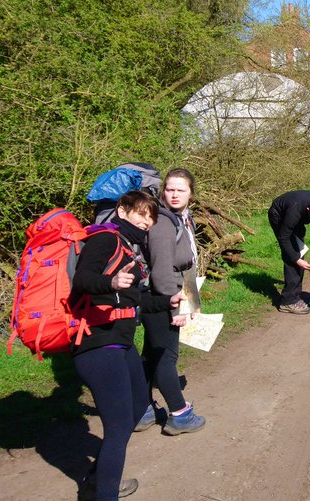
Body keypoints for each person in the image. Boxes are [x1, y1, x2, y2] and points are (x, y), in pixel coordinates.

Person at [71, 190, 183, 501]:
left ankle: (98, 479)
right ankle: (105, 494)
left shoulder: (128, 248)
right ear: (122, 210)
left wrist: (166, 301)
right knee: (119, 427)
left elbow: (136, 302)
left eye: (151, 216)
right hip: (97, 344)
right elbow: (82, 280)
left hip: (120, 344)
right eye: (142, 214)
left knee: (136, 409)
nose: (147, 221)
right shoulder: (105, 240)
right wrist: (110, 283)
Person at [139, 168, 206, 436]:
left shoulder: (181, 217)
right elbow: (162, 269)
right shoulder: (164, 222)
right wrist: (175, 306)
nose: (174, 194)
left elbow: (187, 262)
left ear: (191, 193)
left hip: (176, 290)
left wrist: (190, 301)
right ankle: (179, 414)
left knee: (151, 353)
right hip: (162, 296)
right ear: (162, 191)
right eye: (170, 189)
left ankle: (141, 410)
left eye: (180, 190)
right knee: (166, 356)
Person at [268, 190, 310, 315]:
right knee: (292, 254)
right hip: (279, 214)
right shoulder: (295, 211)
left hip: (296, 216)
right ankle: (288, 302)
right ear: (309, 210)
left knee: (299, 249)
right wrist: (297, 260)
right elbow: (284, 238)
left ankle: (295, 295)